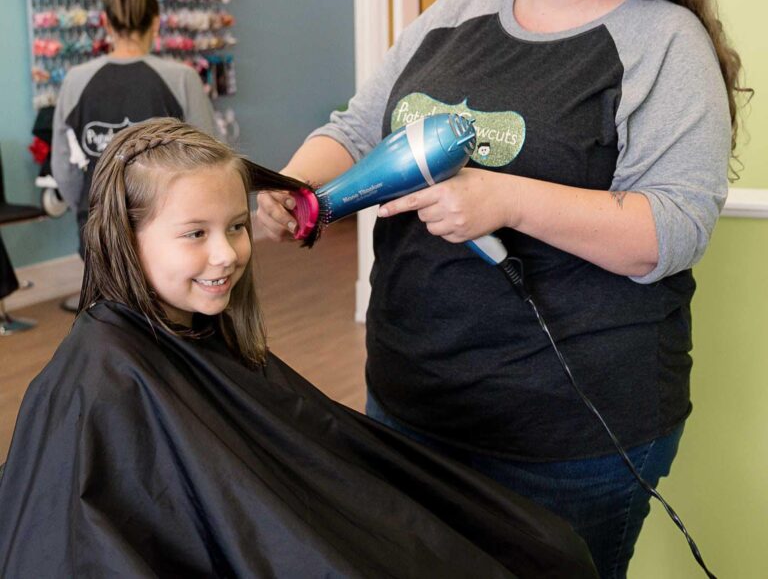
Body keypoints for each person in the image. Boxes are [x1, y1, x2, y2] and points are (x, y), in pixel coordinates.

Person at [256, 0, 749, 578]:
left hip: (568, 440)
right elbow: (356, 129)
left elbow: (674, 229)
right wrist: (289, 187)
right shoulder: (454, 15)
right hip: (410, 402)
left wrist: (505, 197)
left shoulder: (661, 42)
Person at [0, 118, 597, 578]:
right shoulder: (99, 386)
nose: (227, 254)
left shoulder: (198, 338)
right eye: (195, 234)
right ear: (124, 236)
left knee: (538, 545)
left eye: (236, 226)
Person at [51, 0, 217, 308]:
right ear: (156, 23)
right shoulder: (181, 78)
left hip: (98, 232)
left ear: (104, 22)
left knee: (110, 326)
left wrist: (88, 209)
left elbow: (64, 170)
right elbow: (211, 164)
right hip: (169, 232)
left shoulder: (75, 81)